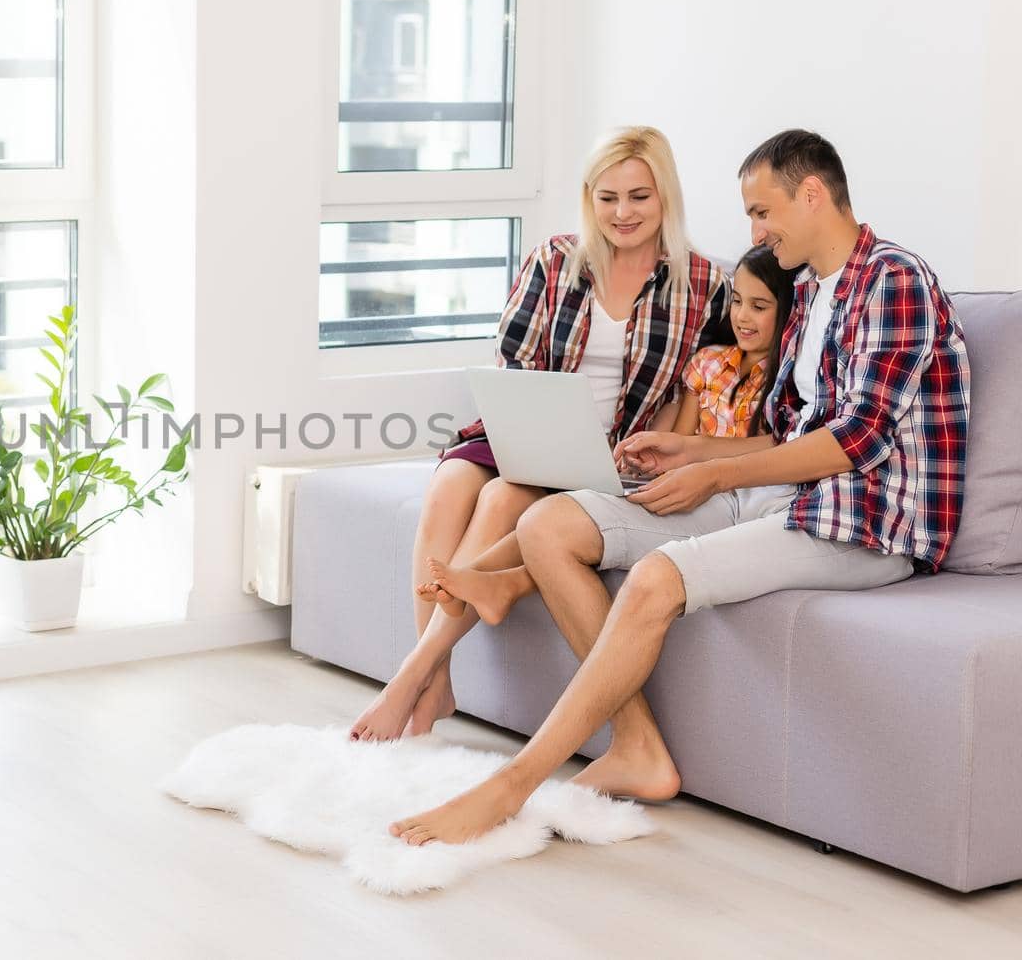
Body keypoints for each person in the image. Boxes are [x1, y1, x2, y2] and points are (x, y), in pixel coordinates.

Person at [387, 129, 971, 846]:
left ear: (812, 194)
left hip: (867, 523)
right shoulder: (815, 292)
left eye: (763, 212)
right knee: (549, 527)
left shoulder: (894, 280)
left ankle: (511, 786)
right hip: (789, 495)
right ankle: (635, 744)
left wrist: (716, 471)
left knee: (655, 577)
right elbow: (787, 437)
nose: (754, 231)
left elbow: (856, 442)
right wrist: (691, 449)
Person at [350, 126, 731, 742]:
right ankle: (438, 679)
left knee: (502, 500)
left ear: (665, 195)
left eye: (638, 196)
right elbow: (515, 363)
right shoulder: (555, 261)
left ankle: (411, 674)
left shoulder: (706, 286)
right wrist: (534, 434)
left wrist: (636, 454)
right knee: (451, 482)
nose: (622, 213)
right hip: (526, 430)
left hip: (611, 456)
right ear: (589, 198)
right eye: (607, 198)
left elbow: (696, 392)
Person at [418, 244, 801, 625]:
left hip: (720, 496)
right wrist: (655, 455)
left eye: (759, 306)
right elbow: (681, 441)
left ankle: (488, 582)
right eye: (737, 302)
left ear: (787, 313)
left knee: (558, 521)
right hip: (678, 482)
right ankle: (475, 576)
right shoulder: (708, 364)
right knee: (557, 512)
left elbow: (775, 450)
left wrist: (692, 457)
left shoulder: (787, 377)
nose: (742, 316)